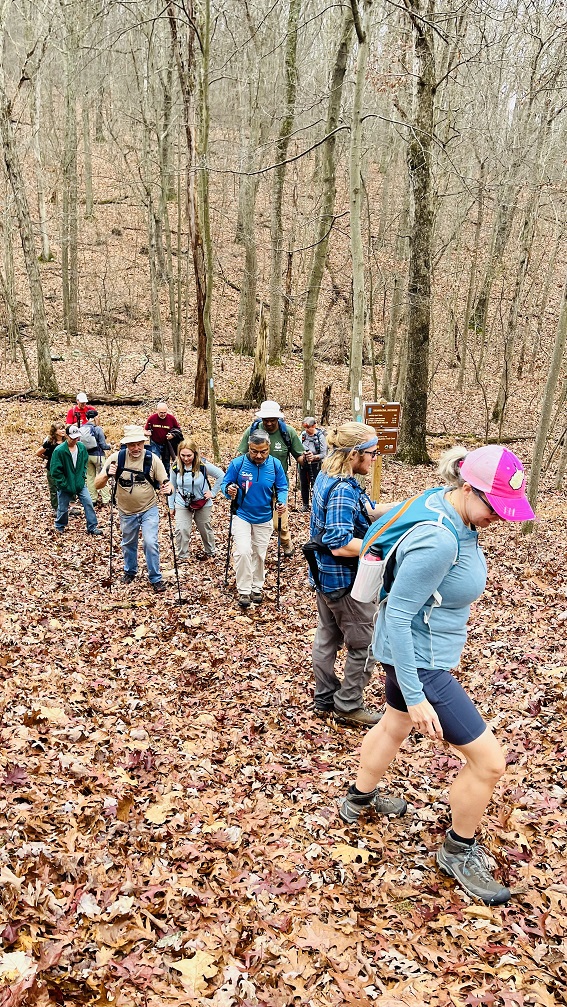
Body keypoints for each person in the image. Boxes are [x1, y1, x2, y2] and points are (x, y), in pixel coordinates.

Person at [338, 444, 536, 906]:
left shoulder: (447, 503)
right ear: (468, 488)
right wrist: (417, 692)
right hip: (419, 662)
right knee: (489, 763)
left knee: (393, 723)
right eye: (494, 506)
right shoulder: (440, 539)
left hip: (409, 652)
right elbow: (403, 614)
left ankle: (358, 799)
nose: (500, 518)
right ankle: (458, 849)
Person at [309, 422, 394, 727]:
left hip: (324, 578)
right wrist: (383, 548)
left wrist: (403, 508)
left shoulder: (330, 477)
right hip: (345, 581)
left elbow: (365, 510)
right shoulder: (343, 489)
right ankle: (347, 704)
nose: (375, 458)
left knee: (327, 638)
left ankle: (324, 698)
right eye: (372, 453)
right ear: (354, 454)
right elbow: (340, 544)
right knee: (366, 644)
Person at [95, 425, 173, 592]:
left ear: (144, 443)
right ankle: (130, 571)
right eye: (132, 444)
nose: (136, 448)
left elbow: (165, 482)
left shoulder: (152, 459)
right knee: (128, 543)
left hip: (148, 508)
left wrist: (168, 488)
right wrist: (108, 473)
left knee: (150, 542)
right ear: (126, 445)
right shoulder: (117, 458)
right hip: (126, 511)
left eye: (139, 444)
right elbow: (97, 484)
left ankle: (155, 578)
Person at [222, 430, 288, 608]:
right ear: (248, 448)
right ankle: (244, 590)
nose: (259, 455)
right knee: (243, 551)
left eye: (263, 451)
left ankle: (256, 587)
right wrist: (229, 490)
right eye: (254, 451)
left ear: (269, 448)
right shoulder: (238, 464)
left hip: (264, 516)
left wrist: (281, 501)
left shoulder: (275, 465)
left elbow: (282, 486)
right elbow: (224, 483)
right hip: (242, 514)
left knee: (259, 554)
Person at [236, 400, 304, 558]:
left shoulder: (288, 432)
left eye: (272, 419)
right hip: (255, 485)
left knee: (278, 522)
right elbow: (241, 456)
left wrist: (308, 459)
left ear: (278, 418)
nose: (268, 423)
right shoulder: (252, 431)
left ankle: (286, 543)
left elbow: (299, 456)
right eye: (266, 420)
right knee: (254, 520)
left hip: (279, 485)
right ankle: (256, 550)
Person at [168, 438, 224, 561]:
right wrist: (171, 506)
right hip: (182, 501)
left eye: (189, 455)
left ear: (195, 453)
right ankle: (183, 556)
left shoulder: (203, 465)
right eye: (183, 455)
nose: (186, 458)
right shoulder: (175, 466)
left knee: (204, 527)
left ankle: (210, 552)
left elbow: (221, 476)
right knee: (181, 529)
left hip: (202, 501)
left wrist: (213, 493)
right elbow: (172, 486)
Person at [49, 425, 103, 536]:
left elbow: (84, 462)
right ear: (67, 436)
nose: (75, 440)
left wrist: (82, 476)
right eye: (72, 437)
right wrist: (63, 483)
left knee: (88, 503)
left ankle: (92, 527)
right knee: (63, 508)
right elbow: (55, 470)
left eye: (77, 437)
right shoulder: (59, 450)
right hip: (65, 485)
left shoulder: (81, 447)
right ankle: (60, 526)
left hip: (79, 483)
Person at [82, 409, 112, 506]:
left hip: (87, 456)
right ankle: (106, 499)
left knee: (90, 477)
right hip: (98, 456)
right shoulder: (97, 429)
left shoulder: (82, 428)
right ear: (95, 417)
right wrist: (110, 446)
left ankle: (92, 499)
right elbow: (103, 445)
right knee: (103, 476)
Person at [144, 401, 182, 475]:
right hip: (155, 443)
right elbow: (145, 429)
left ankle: (167, 480)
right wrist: (146, 433)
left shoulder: (171, 419)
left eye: (165, 412)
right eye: (161, 412)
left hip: (167, 445)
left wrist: (172, 435)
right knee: (155, 460)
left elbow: (178, 430)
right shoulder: (152, 418)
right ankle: (155, 478)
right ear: (157, 411)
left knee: (166, 463)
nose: (163, 414)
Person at [37, 420, 66, 514]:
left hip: (65, 468)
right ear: (55, 431)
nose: (63, 430)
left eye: (63, 428)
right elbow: (38, 452)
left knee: (65, 487)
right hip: (52, 469)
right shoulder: (50, 442)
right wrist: (48, 458)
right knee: (53, 488)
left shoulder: (67, 441)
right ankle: (55, 508)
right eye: (60, 429)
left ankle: (65, 506)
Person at [299, 417, 327, 512]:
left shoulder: (320, 436)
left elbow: (324, 454)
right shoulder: (303, 435)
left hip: (316, 464)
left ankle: (317, 504)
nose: (306, 430)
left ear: (314, 425)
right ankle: (305, 504)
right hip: (304, 463)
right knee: (304, 484)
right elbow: (298, 448)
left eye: (308, 427)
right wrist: (303, 454)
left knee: (316, 484)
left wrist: (314, 457)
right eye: (305, 428)